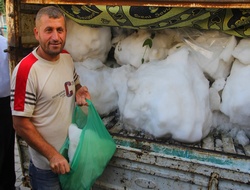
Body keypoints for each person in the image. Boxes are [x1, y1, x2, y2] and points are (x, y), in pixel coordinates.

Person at [10, 6, 91, 190]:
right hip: (47, 168)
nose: (56, 37)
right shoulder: (27, 70)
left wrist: (79, 90)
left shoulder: (66, 57)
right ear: (36, 33)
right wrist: (52, 155)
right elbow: (20, 123)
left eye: (59, 30)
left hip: (71, 156)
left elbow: (75, 83)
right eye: (49, 30)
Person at [0, 33, 16, 189]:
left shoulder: (5, 44)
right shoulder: (5, 44)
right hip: (5, 106)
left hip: (6, 105)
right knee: (6, 151)